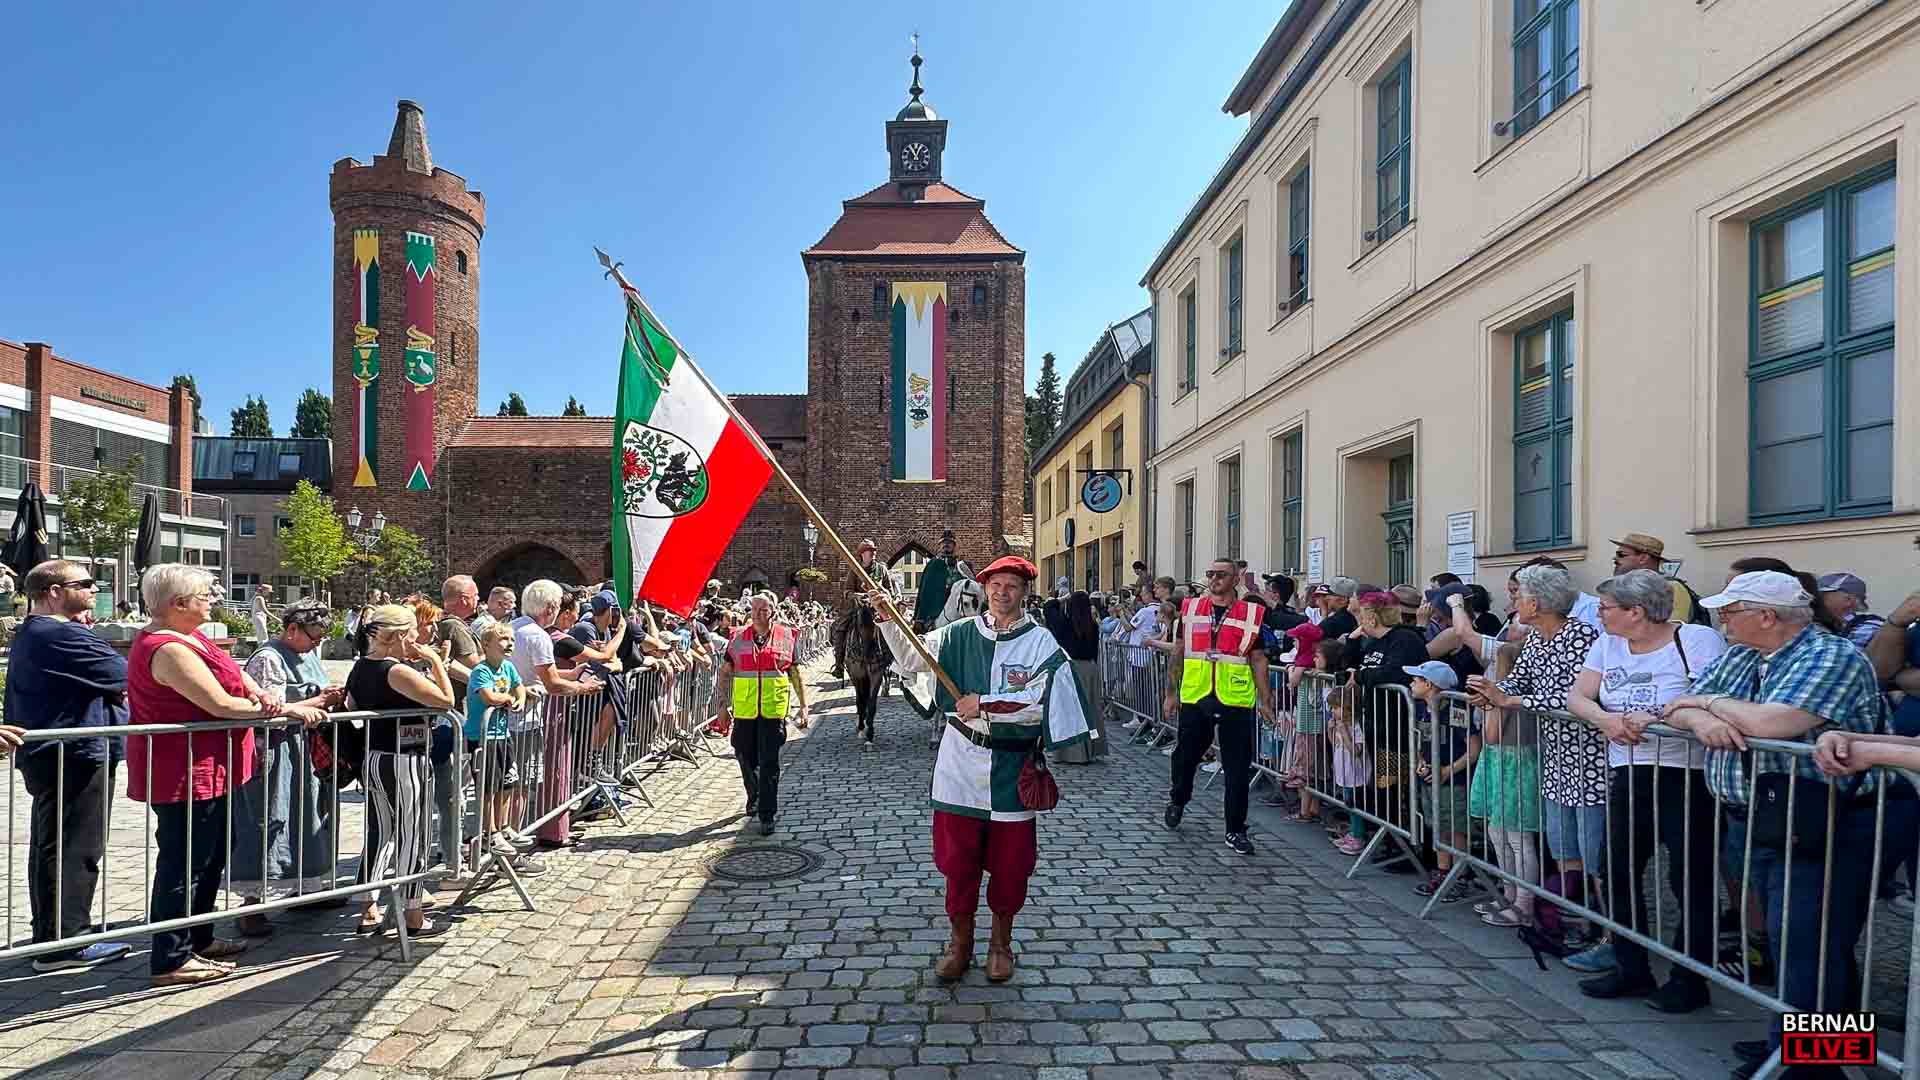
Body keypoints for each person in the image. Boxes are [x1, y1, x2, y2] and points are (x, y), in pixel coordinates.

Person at [1661, 571, 1887, 1079]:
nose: (1721, 619)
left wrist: (1713, 707)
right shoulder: (1743, 653)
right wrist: (1703, 717)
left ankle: (1814, 1066)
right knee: (1792, 939)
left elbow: (1773, 724)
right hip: (1763, 816)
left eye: (1731, 610)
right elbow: (1677, 706)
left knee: (1810, 940)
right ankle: (1792, 1045)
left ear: (1767, 616)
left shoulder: (1831, 656)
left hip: (1826, 818)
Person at [873, 556, 1093, 984]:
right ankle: (960, 943)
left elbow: (1039, 705)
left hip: (1012, 767)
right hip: (959, 767)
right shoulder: (958, 634)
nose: (1002, 592)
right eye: (995, 584)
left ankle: (1000, 943)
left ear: (1024, 592)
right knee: (958, 863)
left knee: (1011, 865)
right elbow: (912, 659)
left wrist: (985, 704)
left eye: (1011, 585)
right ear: (984, 589)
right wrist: (888, 620)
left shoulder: (1041, 643)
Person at [1565, 569, 1727, 1011]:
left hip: (1688, 774)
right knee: (1615, 869)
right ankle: (1630, 966)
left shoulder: (1695, 639)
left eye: (1606, 608)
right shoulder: (1608, 643)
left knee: (1688, 877)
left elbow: (1710, 696)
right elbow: (1578, 697)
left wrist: (1652, 717)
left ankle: (1690, 978)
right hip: (1630, 770)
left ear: (1636, 611)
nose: (1598, 614)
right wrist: (1605, 720)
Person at [128, 564, 291, 985]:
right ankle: (171, 957)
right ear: (178, 604)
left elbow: (236, 676)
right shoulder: (167, 648)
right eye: (205, 593)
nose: (213, 598)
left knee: (210, 856)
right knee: (184, 863)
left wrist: (261, 693)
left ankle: (198, 938)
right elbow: (219, 704)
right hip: (184, 770)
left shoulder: (193, 638)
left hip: (214, 767)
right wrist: (281, 709)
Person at [8, 559, 133, 973]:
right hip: (73, 753)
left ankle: (55, 933)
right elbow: (122, 673)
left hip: (63, 751)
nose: (95, 590)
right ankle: (65, 942)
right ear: (55, 592)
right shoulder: (58, 633)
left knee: (54, 845)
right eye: (86, 583)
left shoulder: (41, 631)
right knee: (75, 847)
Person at [1469, 563, 1605, 926]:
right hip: (1554, 756)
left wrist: (1509, 701)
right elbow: (1518, 681)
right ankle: (1565, 916)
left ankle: (1596, 922)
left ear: (1539, 603)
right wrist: (1489, 694)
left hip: (1587, 757)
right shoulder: (1535, 639)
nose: (1515, 604)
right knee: (1562, 845)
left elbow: (1572, 697)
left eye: (1521, 597)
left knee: (1593, 850)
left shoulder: (1580, 636)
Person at [232, 598, 343, 937]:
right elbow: (270, 710)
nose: (317, 642)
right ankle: (250, 904)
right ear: (292, 628)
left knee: (308, 816)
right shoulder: (268, 658)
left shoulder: (307, 652)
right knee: (269, 819)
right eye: (313, 635)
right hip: (274, 751)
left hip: (303, 749)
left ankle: (306, 887)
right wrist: (320, 701)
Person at [345, 604, 455, 938]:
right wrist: (436, 662)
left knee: (380, 832)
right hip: (404, 759)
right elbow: (445, 700)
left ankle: (368, 907)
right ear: (397, 636)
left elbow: (351, 705)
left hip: (375, 757)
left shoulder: (361, 667)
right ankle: (413, 912)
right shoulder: (396, 671)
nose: (416, 640)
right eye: (411, 634)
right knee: (412, 834)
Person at [1162, 557, 1275, 856]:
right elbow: (1179, 651)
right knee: (1185, 758)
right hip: (1196, 695)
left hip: (1235, 697)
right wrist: (1171, 693)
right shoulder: (1190, 609)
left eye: (1221, 574)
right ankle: (1178, 798)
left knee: (1238, 767)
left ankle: (1235, 829)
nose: (1214, 579)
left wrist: (1265, 700)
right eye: (1210, 573)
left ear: (1236, 578)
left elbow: (1259, 659)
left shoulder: (1252, 613)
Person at [512, 580, 603, 850]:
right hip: (524, 718)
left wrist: (570, 675)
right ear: (551, 607)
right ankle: (512, 848)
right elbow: (551, 684)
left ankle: (506, 843)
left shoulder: (515, 627)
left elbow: (540, 672)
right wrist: (581, 686)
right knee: (520, 787)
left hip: (512, 715)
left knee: (510, 786)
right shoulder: (538, 634)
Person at [716, 593, 807, 835]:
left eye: (763, 610)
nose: (757, 614)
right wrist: (722, 705)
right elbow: (725, 672)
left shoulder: (786, 637)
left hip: (772, 711)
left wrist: (803, 705)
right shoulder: (737, 639)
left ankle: (767, 814)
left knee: (769, 763)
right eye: (754, 609)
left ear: (772, 612)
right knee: (744, 756)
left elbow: (795, 674)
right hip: (745, 711)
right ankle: (754, 793)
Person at [465, 622, 544, 877]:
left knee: (508, 782)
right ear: (486, 645)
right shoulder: (481, 670)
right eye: (503, 639)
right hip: (482, 737)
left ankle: (504, 825)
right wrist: (509, 699)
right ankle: (490, 831)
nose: (509, 643)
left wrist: (520, 696)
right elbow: (489, 696)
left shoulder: (508, 667)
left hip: (503, 735)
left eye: (511, 639)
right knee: (488, 787)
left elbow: (518, 684)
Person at [1407, 660, 1477, 904]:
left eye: (1416, 680)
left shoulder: (1456, 710)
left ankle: (1460, 876)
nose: (1411, 683)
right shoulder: (1421, 708)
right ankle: (1443, 871)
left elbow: (1473, 749)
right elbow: (1420, 739)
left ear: (1430, 684)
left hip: (1453, 780)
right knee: (1437, 826)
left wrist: (1448, 770)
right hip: (1430, 777)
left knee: (1455, 828)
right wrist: (1420, 761)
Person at [1051, 591, 1108, 764]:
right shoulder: (1093, 625)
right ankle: (1090, 749)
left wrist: (1060, 599)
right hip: (1089, 668)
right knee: (1090, 710)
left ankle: (1071, 752)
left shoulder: (1065, 624)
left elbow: (1048, 607)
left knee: (1069, 710)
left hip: (1070, 668)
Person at [833, 539, 897, 678]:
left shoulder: (882, 569)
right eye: (870, 551)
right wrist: (857, 595)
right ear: (862, 554)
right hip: (859, 607)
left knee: (893, 628)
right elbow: (847, 591)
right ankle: (838, 663)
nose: (873, 553)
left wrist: (883, 595)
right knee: (840, 629)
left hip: (878, 608)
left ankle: (895, 660)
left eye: (874, 550)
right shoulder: (855, 570)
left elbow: (890, 591)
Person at [1610, 532, 1705, 626]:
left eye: (1621, 554)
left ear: (1643, 558)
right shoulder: (1625, 588)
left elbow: (1672, 629)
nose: (1615, 558)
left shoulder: (1671, 588)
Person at [1816, 572, 1884, 650]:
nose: (1815, 599)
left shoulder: (1869, 627)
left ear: (1848, 599)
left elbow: (1840, 658)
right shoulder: (1826, 625)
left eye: (1823, 594)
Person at [912, 531, 958, 632]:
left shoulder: (960, 565)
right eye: (944, 542)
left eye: (949, 542)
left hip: (956, 610)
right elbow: (925, 591)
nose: (946, 544)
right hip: (936, 610)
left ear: (954, 546)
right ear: (940, 545)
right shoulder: (933, 564)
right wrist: (920, 617)